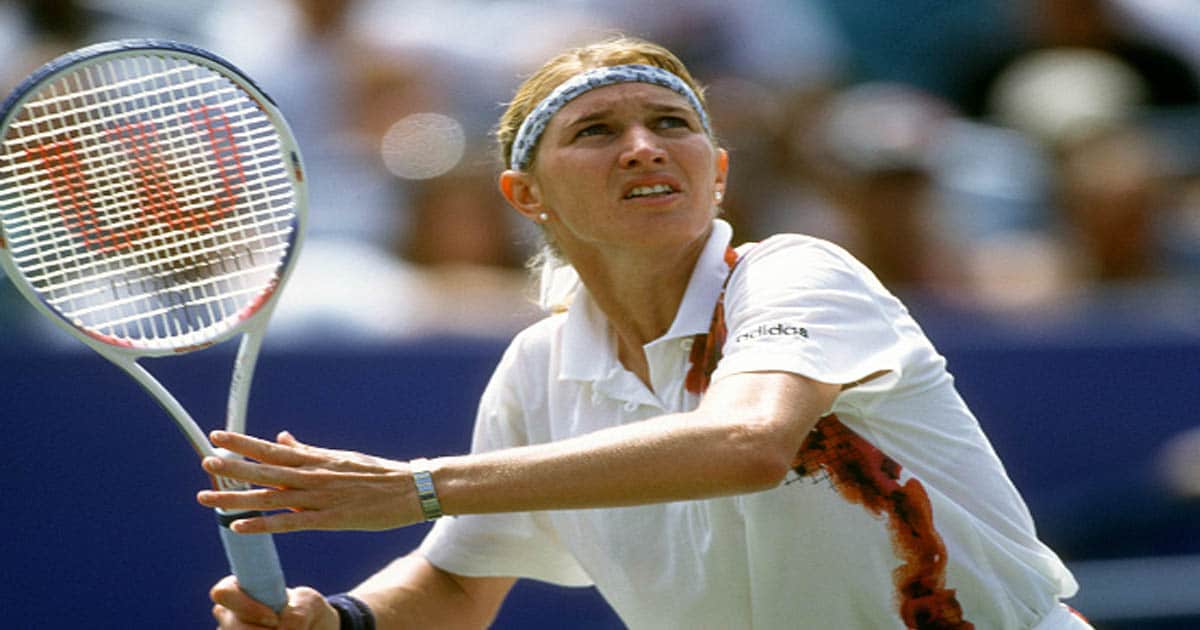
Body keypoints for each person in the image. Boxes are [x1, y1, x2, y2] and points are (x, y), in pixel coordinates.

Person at [199, 36, 1091, 629]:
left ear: (717, 171)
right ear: (526, 195)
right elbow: (460, 582)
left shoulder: (796, 273)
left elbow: (747, 442)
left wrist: (419, 486)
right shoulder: (539, 371)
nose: (643, 146)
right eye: (596, 131)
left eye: (672, 124)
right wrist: (338, 620)